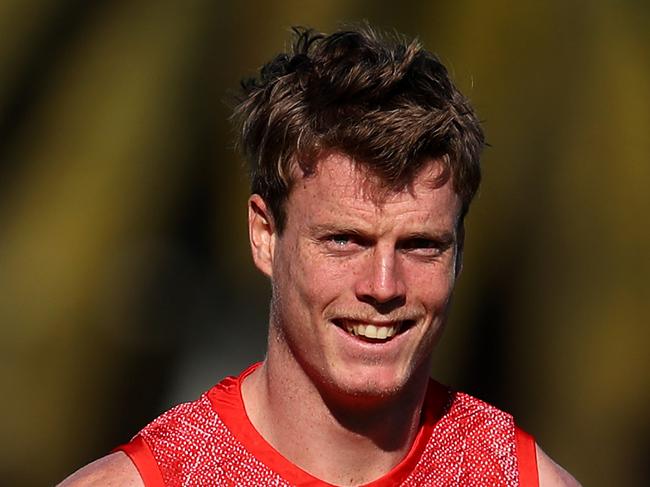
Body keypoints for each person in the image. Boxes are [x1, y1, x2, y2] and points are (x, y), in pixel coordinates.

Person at [59, 25, 580, 486]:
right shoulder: (151, 480)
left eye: (420, 245)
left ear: (458, 252)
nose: (382, 285)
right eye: (344, 241)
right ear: (264, 234)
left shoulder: (521, 478)